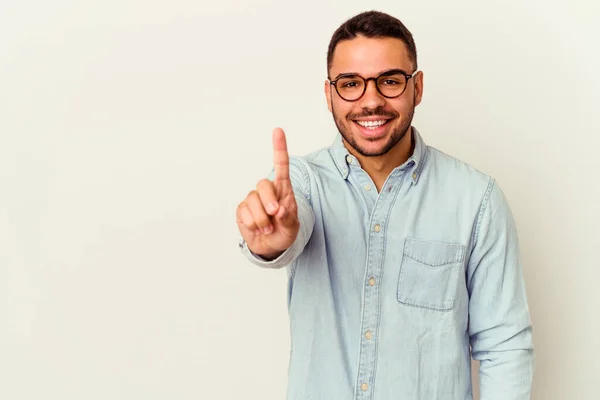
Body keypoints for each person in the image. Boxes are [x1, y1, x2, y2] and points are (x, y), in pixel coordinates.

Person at [236, 10, 534, 400]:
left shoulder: (476, 199)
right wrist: (271, 242)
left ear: (418, 87)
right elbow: (287, 229)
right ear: (329, 94)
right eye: (351, 84)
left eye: (390, 81)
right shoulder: (301, 185)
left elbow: (505, 345)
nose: (371, 100)